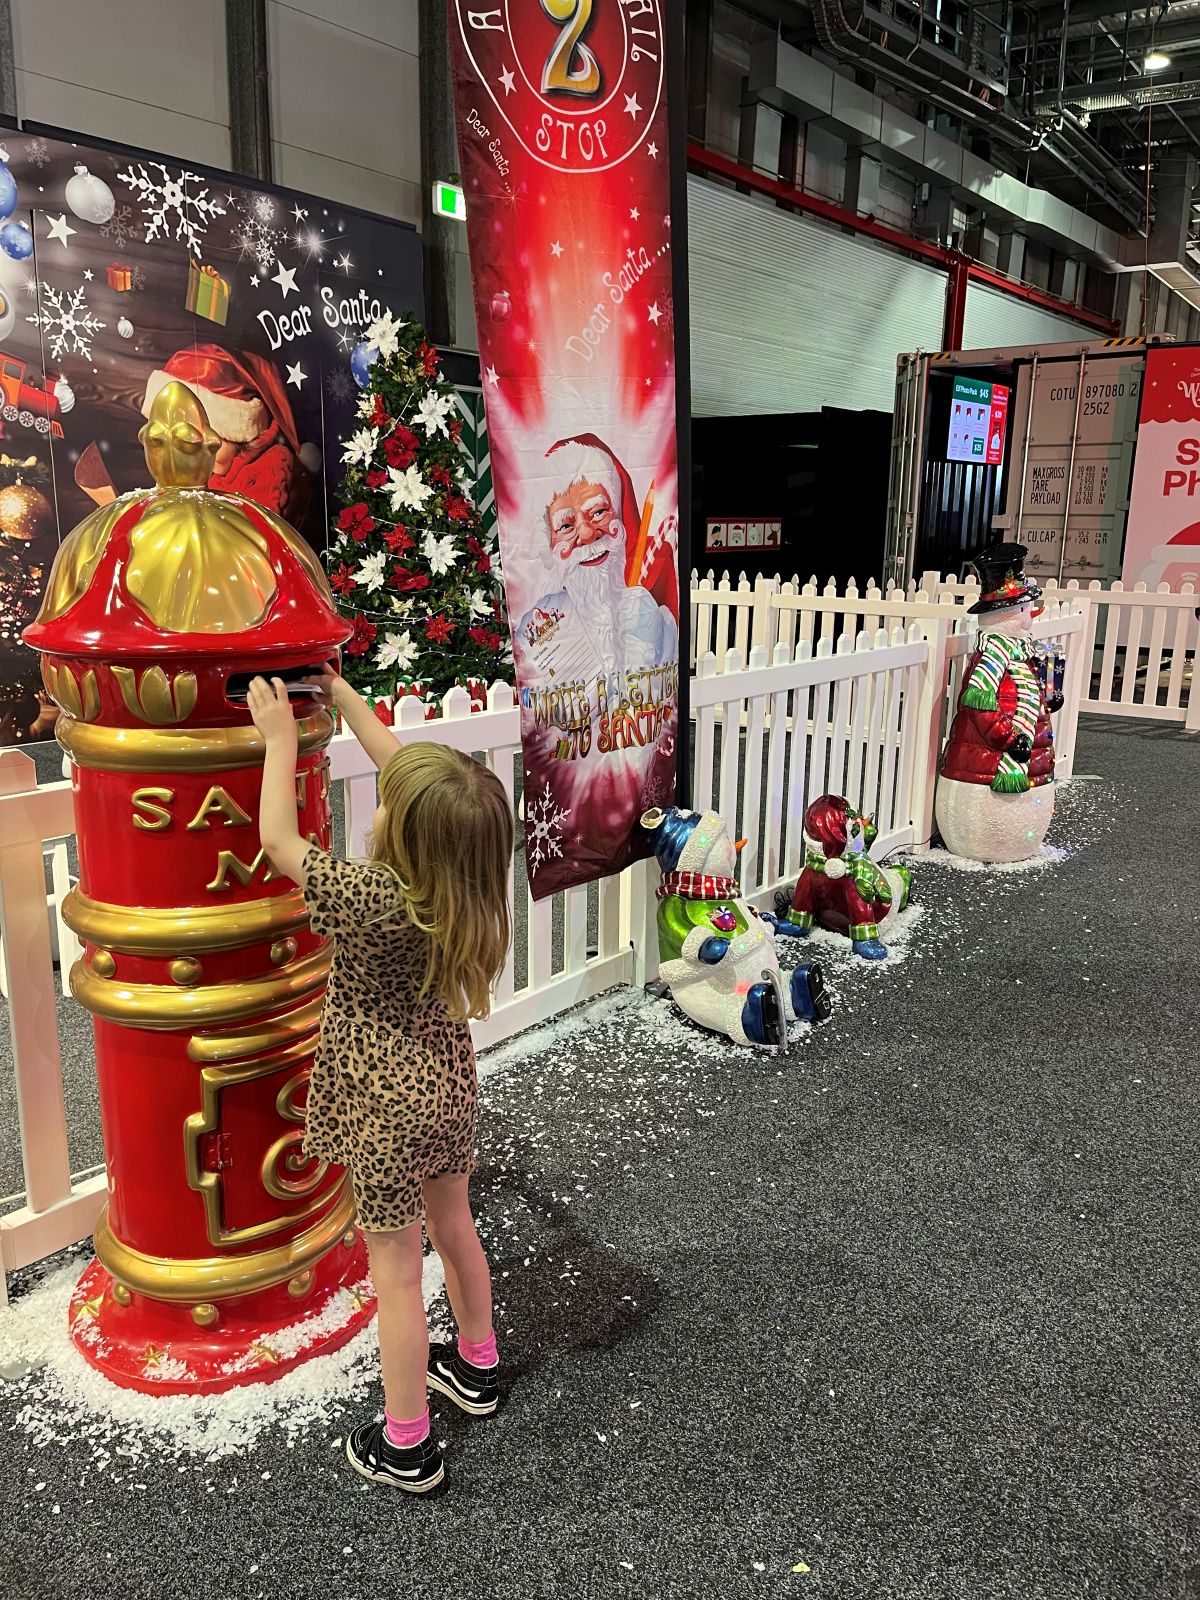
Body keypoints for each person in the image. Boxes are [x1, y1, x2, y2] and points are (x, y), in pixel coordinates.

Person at [247, 667, 514, 1495]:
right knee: (456, 1226)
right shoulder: (463, 889)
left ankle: (406, 1442)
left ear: (404, 831)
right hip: (446, 1083)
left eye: (392, 805)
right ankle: (477, 1363)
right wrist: (348, 698)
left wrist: (280, 742)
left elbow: (279, 845)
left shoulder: (368, 896)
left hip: (384, 1103)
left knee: (395, 1274)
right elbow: (418, 782)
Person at [515, 438, 677, 697]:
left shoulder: (647, 612)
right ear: (548, 543)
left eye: (599, 512)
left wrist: (646, 650)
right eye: (566, 526)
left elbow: (665, 702)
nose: (588, 533)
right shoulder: (536, 626)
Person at [140, 344, 319, 525]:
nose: (204, 449)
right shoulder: (213, 468)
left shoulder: (273, 472)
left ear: (239, 437)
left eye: (217, 438)